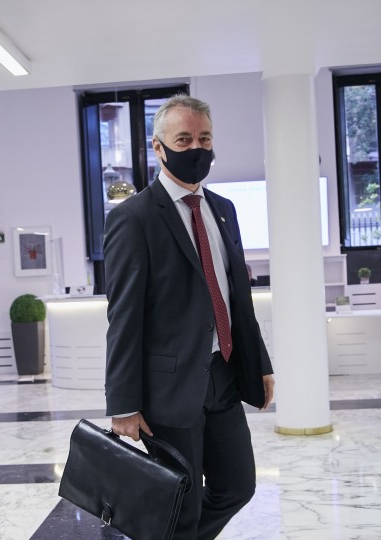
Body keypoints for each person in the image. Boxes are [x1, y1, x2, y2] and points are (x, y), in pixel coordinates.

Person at [104, 94, 275, 539]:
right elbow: (124, 316)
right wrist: (123, 404)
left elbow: (237, 298)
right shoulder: (133, 218)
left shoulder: (224, 210)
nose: (196, 147)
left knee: (238, 486)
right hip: (168, 387)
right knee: (181, 502)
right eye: (184, 139)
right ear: (158, 147)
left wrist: (261, 364)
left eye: (204, 138)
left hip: (222, 373)